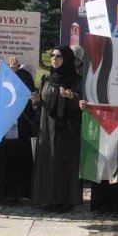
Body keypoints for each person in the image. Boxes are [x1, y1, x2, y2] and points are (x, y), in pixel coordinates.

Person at [0, 58, 37, 205]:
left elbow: (25, 92)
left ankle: (13, 193)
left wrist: (13, 71)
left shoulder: (24, 72)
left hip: (13, 123)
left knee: (13, 156)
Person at [31, 46, 83, 211]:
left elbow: (83, 103)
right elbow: (42, 103)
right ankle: (46, 197)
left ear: (67, 59)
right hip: (46, 127)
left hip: (67, 128)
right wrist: (36, 100)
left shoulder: (76, 80)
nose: (54, 58)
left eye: (59, 56)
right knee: (47, 160)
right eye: (52, 55)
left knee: (63, 162)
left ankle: (64, 199)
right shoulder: (47, 79)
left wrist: (71, 97)